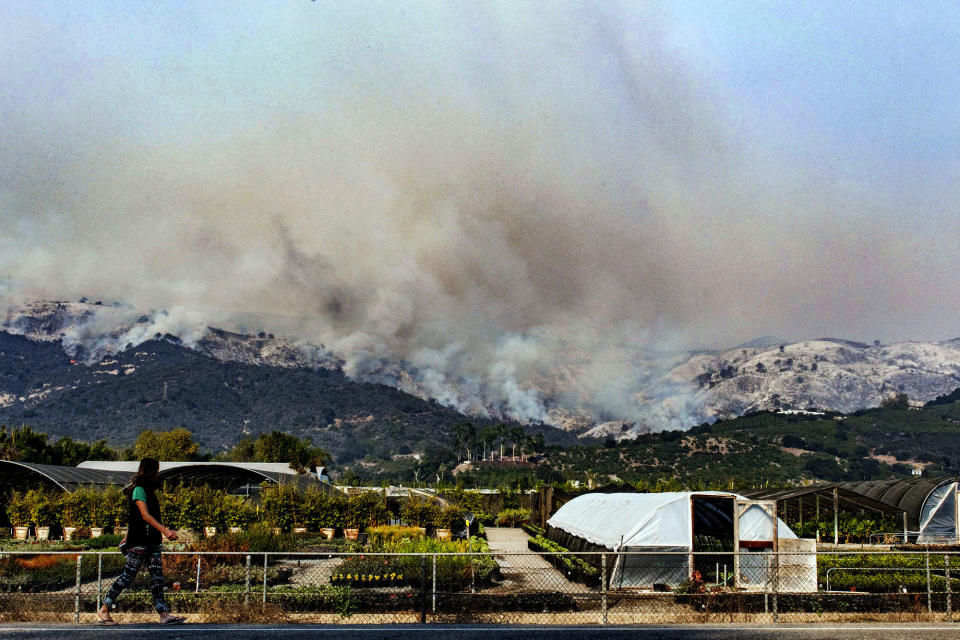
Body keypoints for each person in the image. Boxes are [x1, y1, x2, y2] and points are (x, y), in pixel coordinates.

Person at [97, 457, 185, 625]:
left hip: (151, 541)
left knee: (157, 578)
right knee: (127, 577)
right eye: (156, 470)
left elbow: (134, 517)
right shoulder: (138, 490)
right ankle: (104, 609)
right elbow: (143, 515)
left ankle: (164, 614)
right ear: (151, 471)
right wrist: (165, 531)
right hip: (140, 541)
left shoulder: (148, 491)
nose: (158, 474)